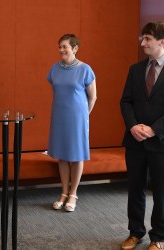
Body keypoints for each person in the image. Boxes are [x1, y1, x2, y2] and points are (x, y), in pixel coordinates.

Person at [120, 22, 164, 250]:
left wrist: (152, 129)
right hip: (135, 141)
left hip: (162, 142)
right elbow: (126, 101)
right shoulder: (135, 69)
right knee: (135, 189)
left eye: (147, 39)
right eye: (143, 38)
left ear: (162, 42)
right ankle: (135, 232)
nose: (142, 43)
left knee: (161, 192)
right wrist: (132, 126)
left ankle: (158, 237)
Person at [47, 34, 97, 212]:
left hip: (77, 118)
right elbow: (57, 91)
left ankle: (73, 194)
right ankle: (63, 192)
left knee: (76, 156)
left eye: (65, 47)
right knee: (62, 155)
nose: (61, 50)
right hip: (60, 116)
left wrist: (84, 116)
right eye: (60, 46)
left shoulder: (85, 69)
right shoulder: (54, 68)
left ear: (75, 48)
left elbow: (93, 97)